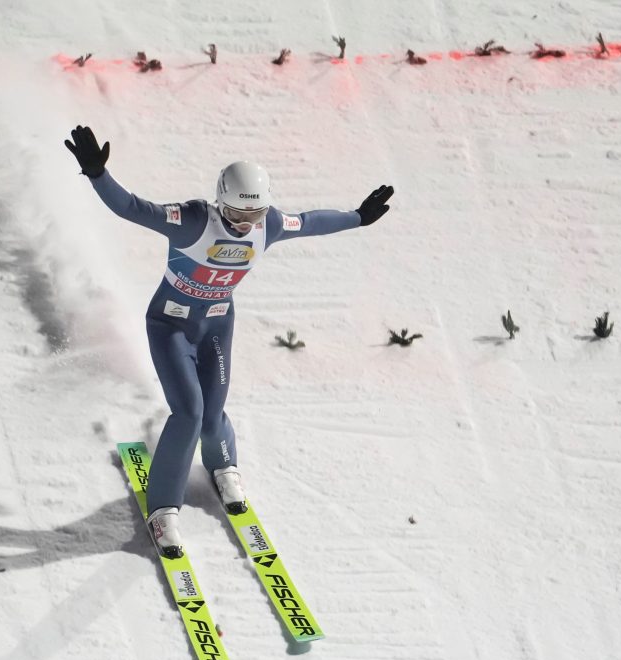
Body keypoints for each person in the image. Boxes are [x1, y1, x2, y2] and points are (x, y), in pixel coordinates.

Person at [65, 125, 393, 559]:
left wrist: (357, 216)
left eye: (252, 218)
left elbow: (309, 222)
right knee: (189, 412)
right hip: (171, 327)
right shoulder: (193, 220)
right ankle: (163, 509)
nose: (244, 227)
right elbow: (131, 208)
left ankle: (223, 465)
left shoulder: (267, 224)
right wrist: (97, 173)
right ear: (221, 205)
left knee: (214, 409)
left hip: (217, 325)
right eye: (236, 217)